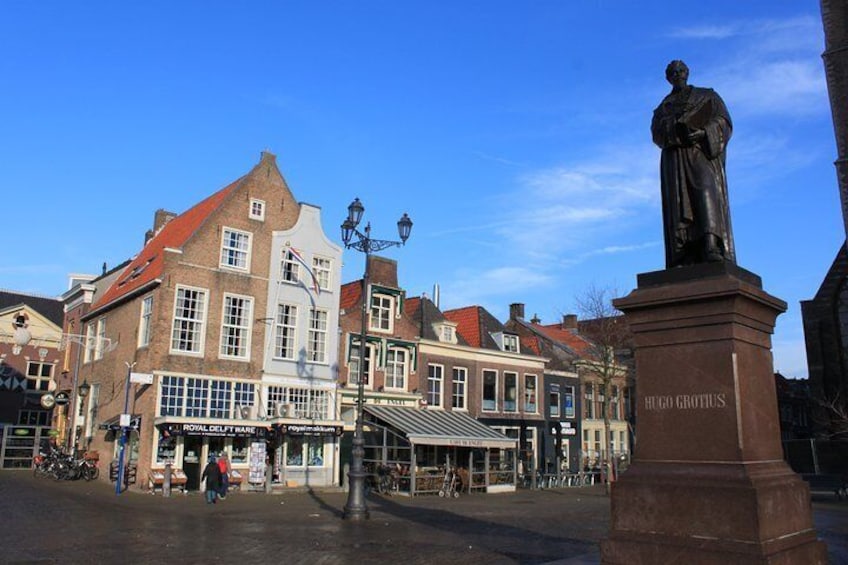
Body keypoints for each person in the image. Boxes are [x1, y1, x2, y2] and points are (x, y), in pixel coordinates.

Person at [651, 60, 736, 268]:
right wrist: (673, 128)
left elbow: (724, 121)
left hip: (700, 152)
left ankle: (711, 245)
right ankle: (684, 252)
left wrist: (705, 132)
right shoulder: (663, 107)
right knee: (679, 203)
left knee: (706, 192)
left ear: (687, 73)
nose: (677, 74)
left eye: (681, 70)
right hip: (675, 158)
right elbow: (656, 134)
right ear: (668, 77)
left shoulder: (707, 96)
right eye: (673, 72)